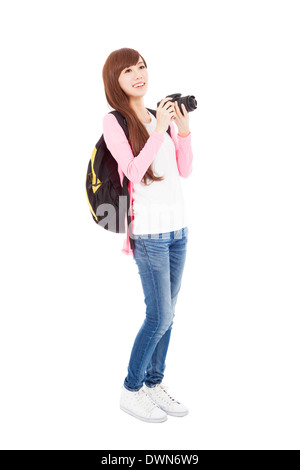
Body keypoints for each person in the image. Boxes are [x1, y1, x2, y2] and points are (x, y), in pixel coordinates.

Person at [102, 48, 193, 423]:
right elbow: (133, 172)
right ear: (115, 81)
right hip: (150, 234)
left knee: (169, 316)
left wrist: (182, 131)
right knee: (159, 315)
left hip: (178, 230)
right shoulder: (114, 121)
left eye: (141, 66)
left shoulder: (161, 116)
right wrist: (157, 133)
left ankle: (155, 384)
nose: (139, 74)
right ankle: (131, 389)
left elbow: (184, 171)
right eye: (128, 70)